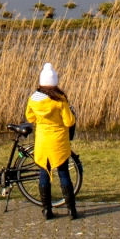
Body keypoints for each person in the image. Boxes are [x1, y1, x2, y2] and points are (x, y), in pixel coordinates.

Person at [24, 62, 78, 220]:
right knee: (63, 173)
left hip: (42, 141)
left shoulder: (33, 99)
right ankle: (71, 210)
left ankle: (46, 210)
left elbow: (30, 117)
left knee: (43, 174)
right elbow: (69, 122)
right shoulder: (60, 100)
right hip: (58, 142)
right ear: (55, 83)